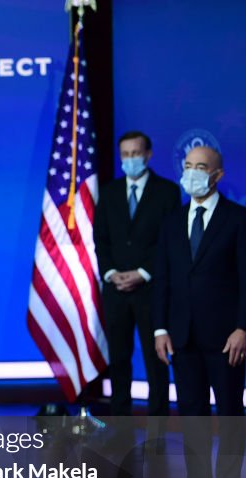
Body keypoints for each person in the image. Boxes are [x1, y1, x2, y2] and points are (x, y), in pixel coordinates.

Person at [153, 145, 246, 478]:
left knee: (229, 410)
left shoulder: (240, 219)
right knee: (192, 411)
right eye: (187, 166)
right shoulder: (170, 221)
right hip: (182, 336)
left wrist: (244, 327)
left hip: (225, 338)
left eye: (201, 167)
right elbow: (164, 280)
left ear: (218, 175)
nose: (192, 173)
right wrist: (160, 329)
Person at [94, 131, 181, 417]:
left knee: (155, 359)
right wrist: (110, 273)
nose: (130, 159)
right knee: (118, 357)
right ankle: (119, 421)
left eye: (135, 153)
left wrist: (144, 273)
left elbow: (169, 242)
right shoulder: (107, 193)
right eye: (125, 154)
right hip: (115, 290)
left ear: (148, 154)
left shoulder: (167, 192)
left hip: (151, 290)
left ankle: (158, 421)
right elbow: (101, 240)